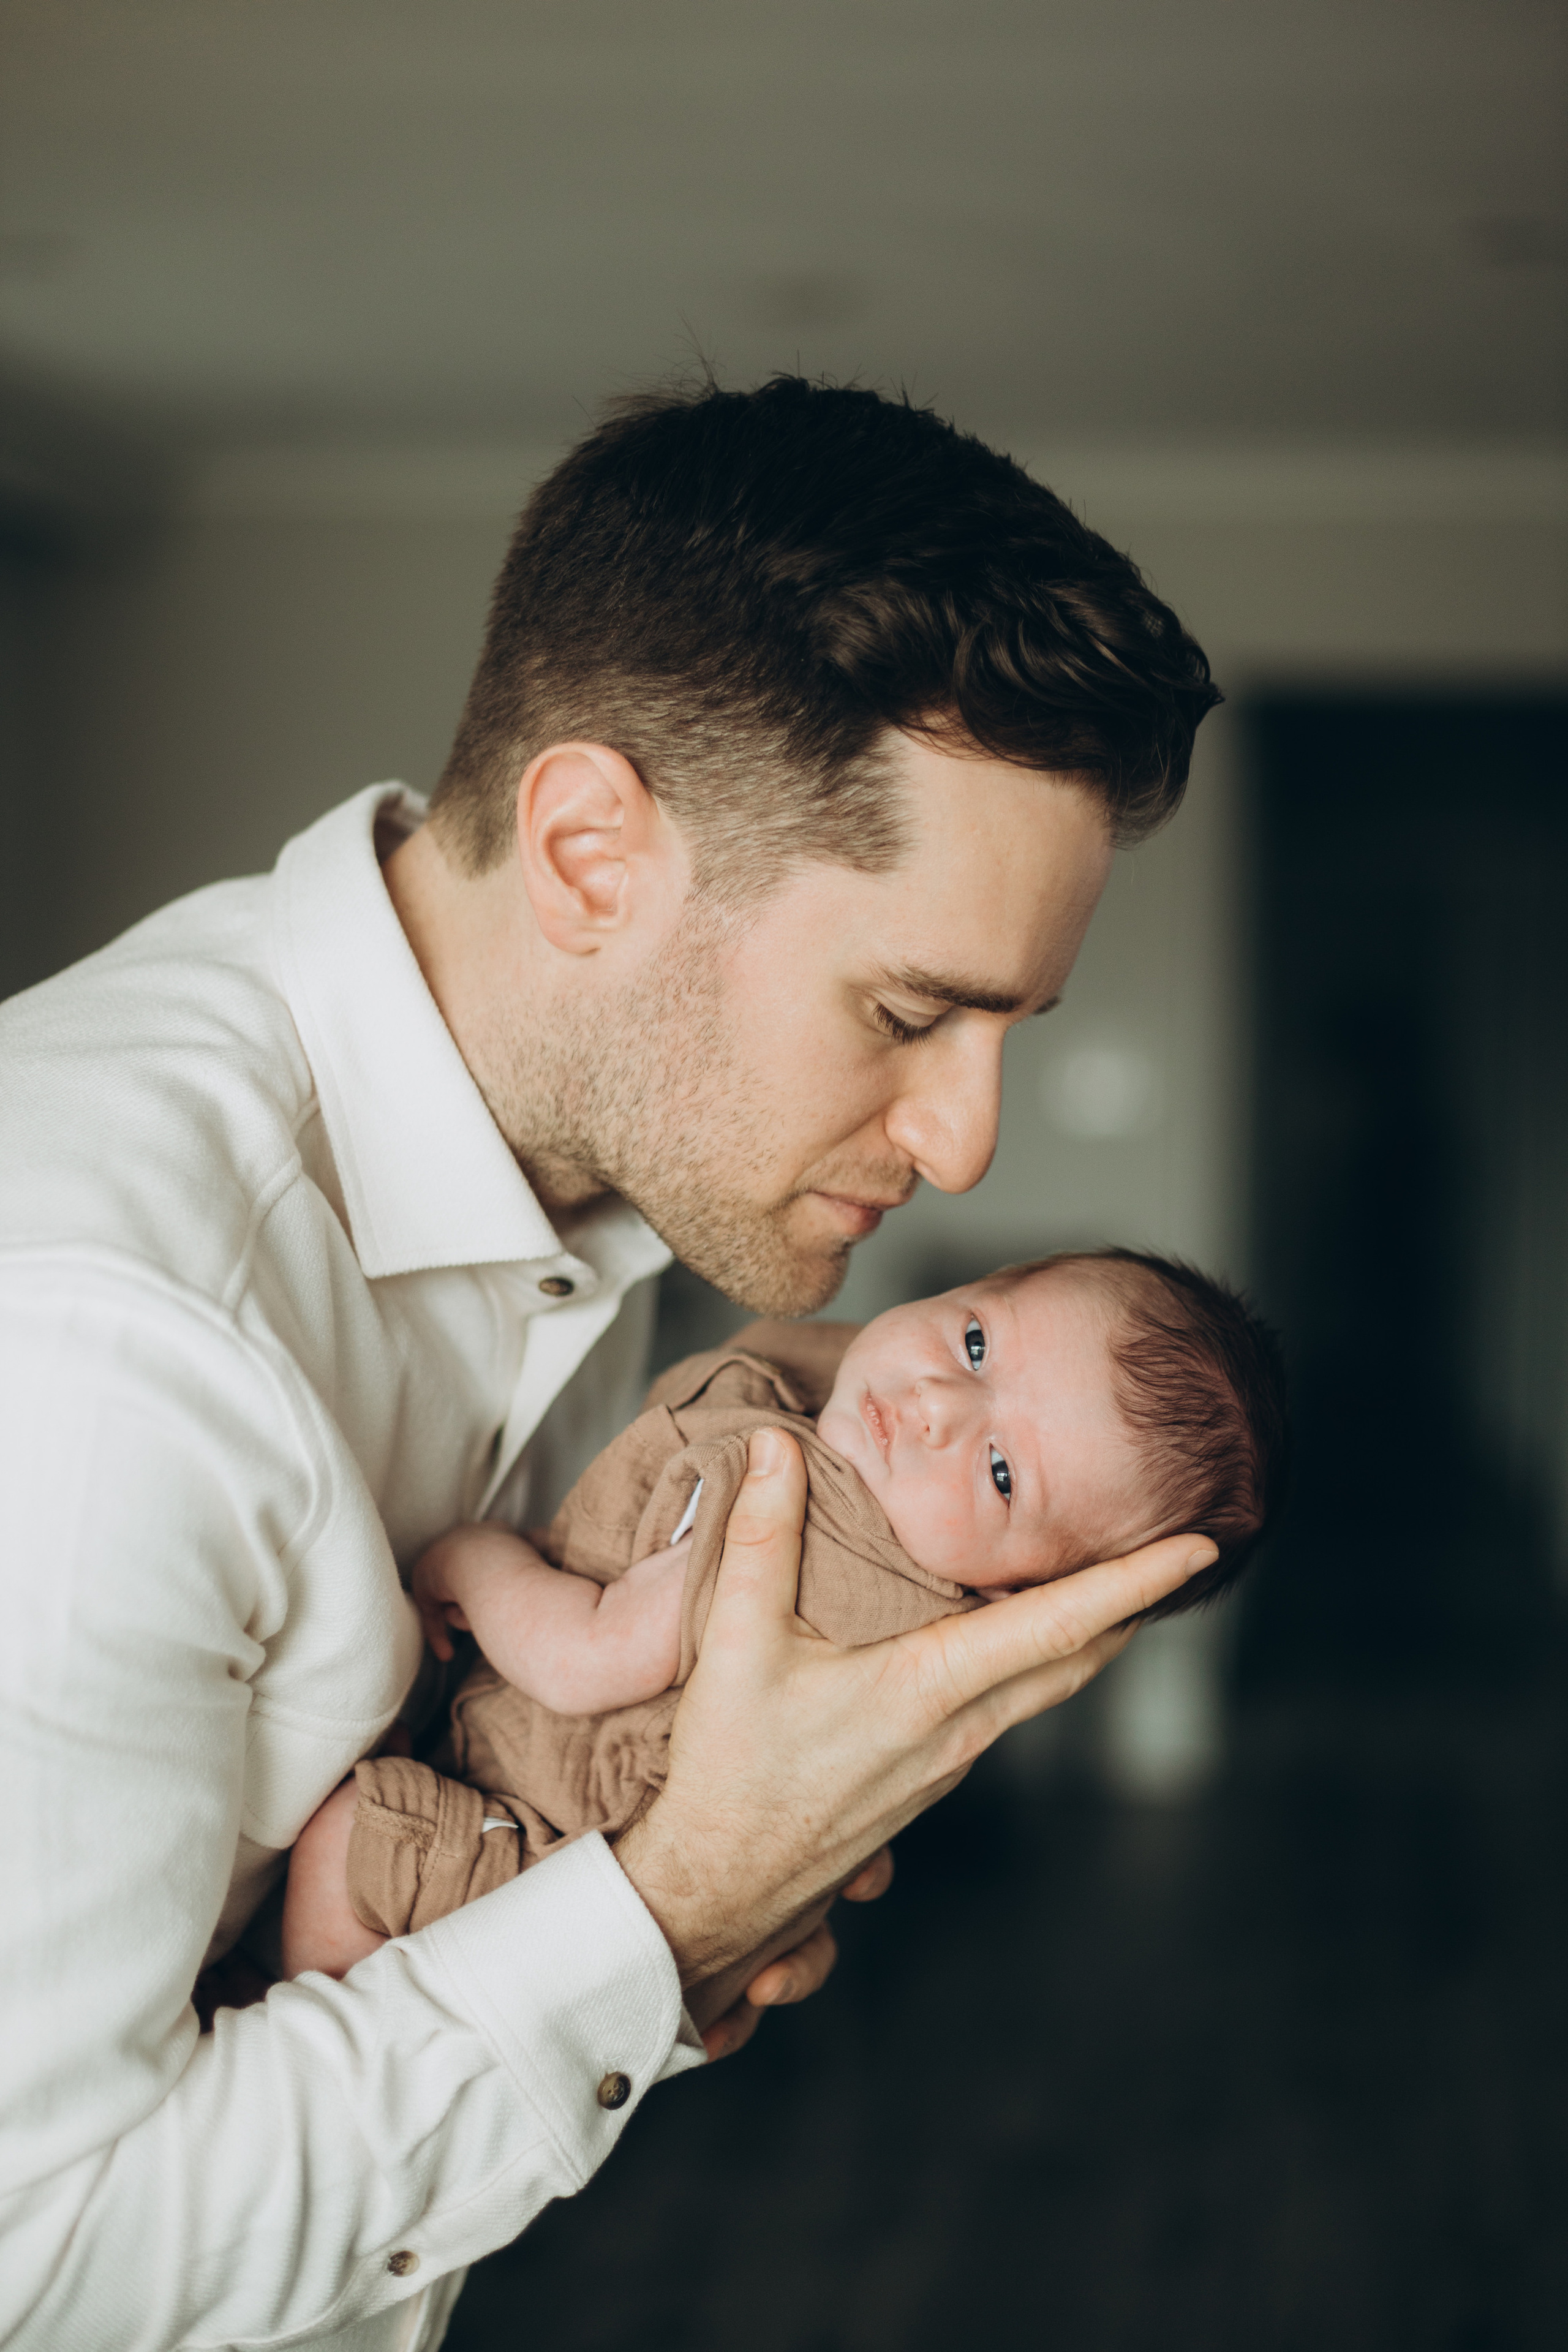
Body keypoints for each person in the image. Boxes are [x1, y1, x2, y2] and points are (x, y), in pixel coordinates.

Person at [0, 375, 1223, 2351]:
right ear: (589, 857)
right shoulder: (104, 1340)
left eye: (1013, 1026)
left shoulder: (615, 1209)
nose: (973, 1143)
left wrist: (632, 1935)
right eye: (913, 1009)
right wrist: (662, 1915)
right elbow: (32, 2258)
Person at [281, 1250, 1288, 1988]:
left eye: (1000, 1474)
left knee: (348, 1846)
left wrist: (469, 1557)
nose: (939, 1402)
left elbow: (586, 1654)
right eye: (977, 1343)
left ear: (1017, 1595)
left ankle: (289, 2026)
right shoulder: (867, 1444)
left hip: (551, 1858)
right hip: (539, 1797)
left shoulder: (811, 1534)